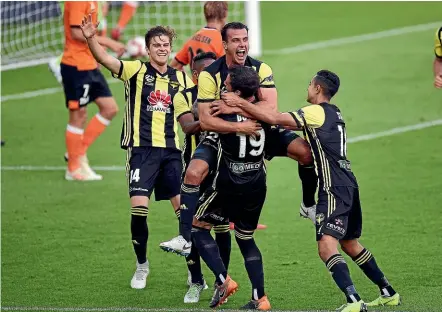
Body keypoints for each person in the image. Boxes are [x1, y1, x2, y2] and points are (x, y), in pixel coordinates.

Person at [222, 69, 401, 312]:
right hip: (348, 183)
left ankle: (353, 301)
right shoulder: (334, 112)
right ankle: (388, 292)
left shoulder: (315, 112)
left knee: (326, 246)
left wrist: (238, 102)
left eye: (309, 84)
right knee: (350, 244)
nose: (307, 88)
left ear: (317, 88)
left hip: (333, 187)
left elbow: (275, 119)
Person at [160, 21, 315, 257]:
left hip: (260, 128)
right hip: (223, 133)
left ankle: (308, 205)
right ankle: (185, 237)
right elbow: (207, 120)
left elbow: (271, 112)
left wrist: (236, 104)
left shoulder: (261, 68)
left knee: (305, 152)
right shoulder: (210, 74)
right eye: (236, 41)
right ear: (224, 45)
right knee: (193, 173)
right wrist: (239, 123)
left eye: (245, 40)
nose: (242, 45)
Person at [80, 14, 195, 289]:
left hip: (171, 152)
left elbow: (199, 105)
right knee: (139, 212)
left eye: (166, 44)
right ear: (147, 49)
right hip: (142, 152)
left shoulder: (183, 78)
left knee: (185, 213)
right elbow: (105, 60)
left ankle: (194, 271)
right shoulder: (135, 71)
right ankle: (142, 265)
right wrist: (91, 38)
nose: (162, 48)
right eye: (157, 44)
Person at [192, 66, 271, 310]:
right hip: (257, 184)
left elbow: (203, 121)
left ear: (236, 91)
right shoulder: (265, 114)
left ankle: (222, 279)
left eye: (226, 86)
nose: (222, 89)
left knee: (197, 226)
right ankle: (261, 298)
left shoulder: (222, 115)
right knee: (246, 238)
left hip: (229, 184)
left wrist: (230, 112)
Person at [173, 52, 232, 304]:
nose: (214, 76)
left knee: (220, 227)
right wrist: (211, 118)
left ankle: (222, 281)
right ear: (196, 76)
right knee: (189, 228)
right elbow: (187, 127)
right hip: (194, 174)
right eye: (208, 72)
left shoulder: (225, 94)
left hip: (222, 172)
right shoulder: (183, 96)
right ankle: (196, 281)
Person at [61, 1, 124, 181]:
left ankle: (77, 152)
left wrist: (100, 53)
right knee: (78, 114)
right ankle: (73, 168)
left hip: (89, 64)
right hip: (75, 65)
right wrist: (108, 42)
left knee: (110, 108)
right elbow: (75, 31)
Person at [170, 1, 227, 74]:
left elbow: (174, 66)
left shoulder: (193, 38)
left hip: (196, 85)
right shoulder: (221, 39)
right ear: (224, 14)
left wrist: (187, 82)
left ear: (205, 15)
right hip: (213, 85)